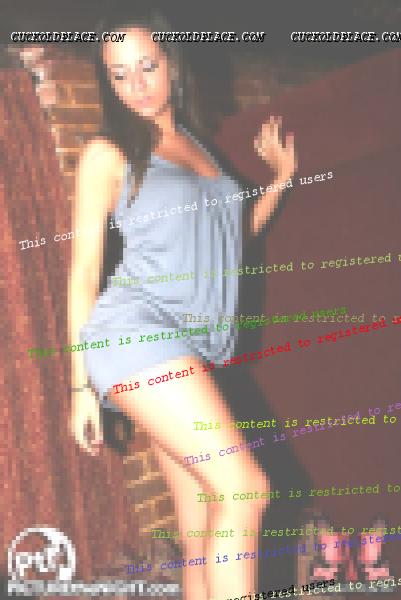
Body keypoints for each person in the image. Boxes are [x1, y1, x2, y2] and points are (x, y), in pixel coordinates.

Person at [69, 9, 296, 600]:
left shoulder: (196, 145)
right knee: (245, 490)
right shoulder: (108, 152)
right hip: (138, 332)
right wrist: (80, 386)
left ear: (171, 62)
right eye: (120, 74)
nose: (137, 84)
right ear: (108, 83)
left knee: (201, 522)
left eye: (147, 65)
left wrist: (278, 181)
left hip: (190, 344)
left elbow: (231, 239)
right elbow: (85, 271)